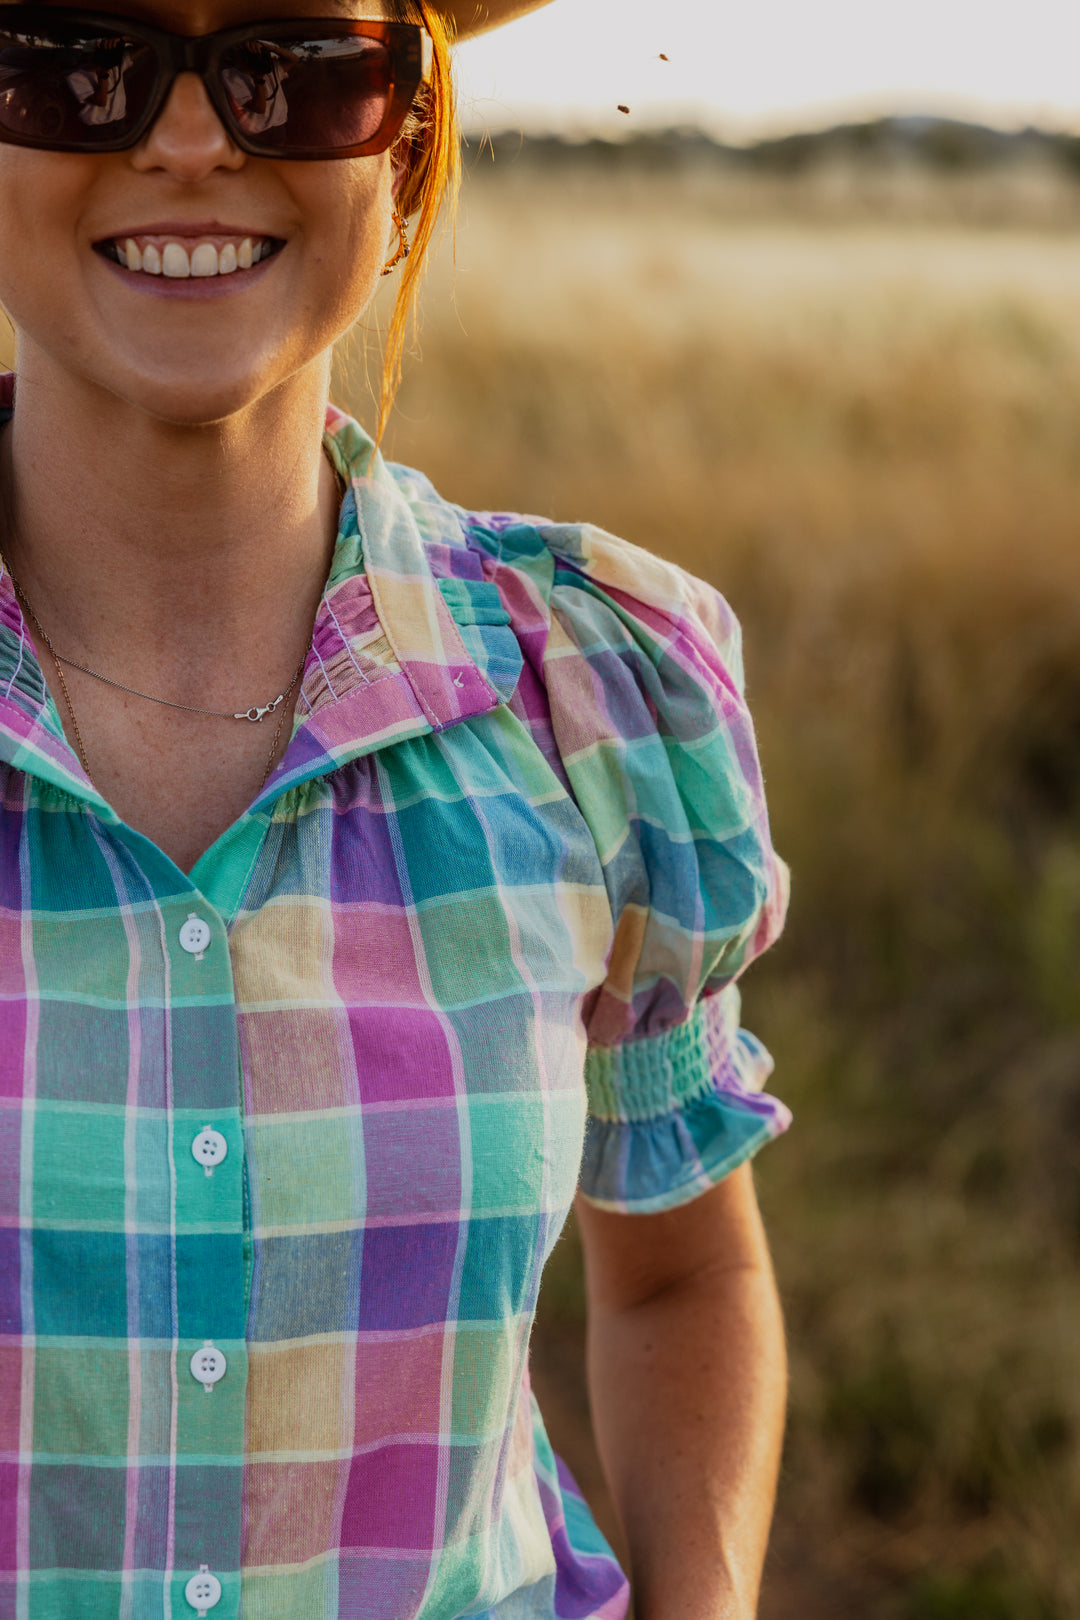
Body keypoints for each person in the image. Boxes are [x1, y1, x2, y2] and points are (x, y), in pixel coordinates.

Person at [0, 2, 792, 1618]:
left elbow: (681, 1270)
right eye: (81, 54)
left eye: (293, 64)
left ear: (409, 139)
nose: (191, 139)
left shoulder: (593, 691)